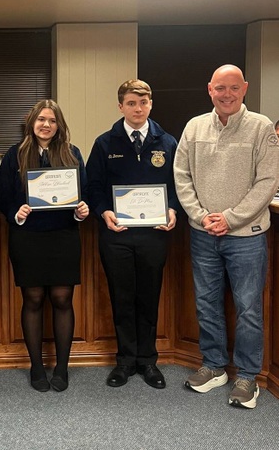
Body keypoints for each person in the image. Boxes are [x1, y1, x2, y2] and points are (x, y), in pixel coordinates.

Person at [174, 64, 279, 409]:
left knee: (248, 308)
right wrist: (202, 216)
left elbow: (267, 182)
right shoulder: (194, 127)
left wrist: (230, 218)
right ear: (210, 89)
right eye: (221, 88)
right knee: (206, 302)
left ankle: (247, 376)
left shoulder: (262, 128)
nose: (227, 94)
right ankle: (215, 365)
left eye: (234, 88)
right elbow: (182, 176)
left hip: (246, 235)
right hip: (203, 233)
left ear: (245, 88)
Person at [87, 79, 179, 389]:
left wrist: (173, 209)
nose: (137, 109)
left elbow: (180, 186)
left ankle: (148, 361)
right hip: (117, 233)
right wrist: (104, 211)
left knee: (149, 296)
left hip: (154, 233)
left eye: (143, 103)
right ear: (120, 106)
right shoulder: (105, 143)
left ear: (151, 104)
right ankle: (125, 361)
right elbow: (93, 187)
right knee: (122, 296)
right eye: (131, 103)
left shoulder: (167, 142)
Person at [0, 99, 88, 392]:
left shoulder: (72, 153)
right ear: (31, 123)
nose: (46, 125)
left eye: (51, 120)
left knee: (63, 299)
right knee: (33, 299)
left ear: (58, 125)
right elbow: (3, 196)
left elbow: (82, 192)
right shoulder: (15, 155)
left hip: (63, 235)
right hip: (28, 237)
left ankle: (62, 367)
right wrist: (16, 211)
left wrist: (81, 210)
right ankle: (36, 366)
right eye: (40, 120)